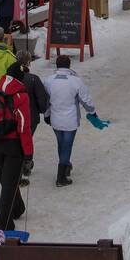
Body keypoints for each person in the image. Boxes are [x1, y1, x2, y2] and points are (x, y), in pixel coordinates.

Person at [0, 62, 33, 230]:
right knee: (9, 185)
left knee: (6, 181)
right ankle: (4, 225)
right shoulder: (21, 96)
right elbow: (24, 126)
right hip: (12, 146)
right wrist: (28, 153)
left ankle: (17, 208)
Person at [44, 54, 97, 186]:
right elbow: (85, 100)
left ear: (57, 65)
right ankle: (61, 177)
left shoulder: (49, 81)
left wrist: (46, 115)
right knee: (67, 146)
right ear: (69, 65)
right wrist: (92, 112)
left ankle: (66, 166)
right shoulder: (75, 81)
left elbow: (46, 101)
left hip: (55, 119)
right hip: (70, 119)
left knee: (61, 144)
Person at [15, 49, 48, 186]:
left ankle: (18, 163)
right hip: (31, 116)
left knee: (17, 140)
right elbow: (42, 98)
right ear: (29, 62)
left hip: (15, 116)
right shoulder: (33, 79)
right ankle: (26, 163)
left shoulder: (12, 78)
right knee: (26, 139)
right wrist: (42, 110)